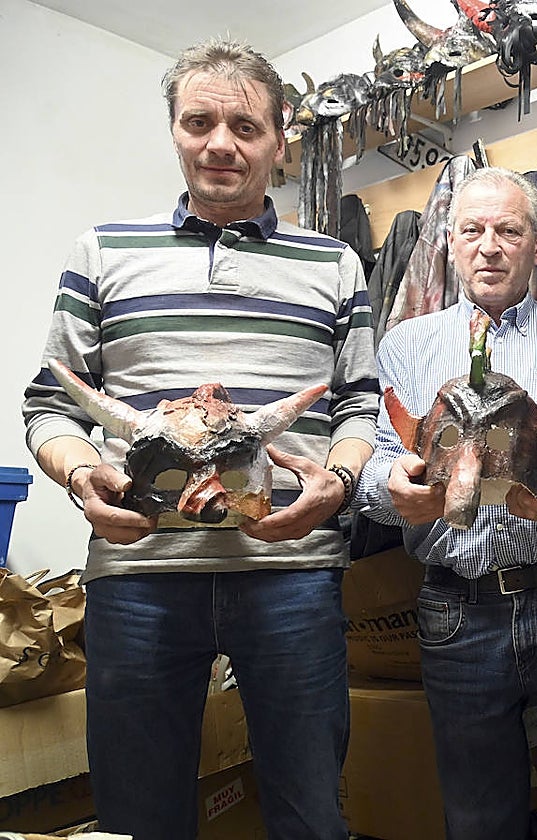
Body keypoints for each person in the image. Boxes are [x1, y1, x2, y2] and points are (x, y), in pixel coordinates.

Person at [20, 39, 378, 840]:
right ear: (175, 131)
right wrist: (82, 478)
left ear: (280, 138)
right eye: (200, 121)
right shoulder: (103, 252)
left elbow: (362, 406)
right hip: (140, 578)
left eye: (245, 125)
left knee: (310, 814)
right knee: (138, 818)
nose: (221, 142)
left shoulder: (336, 265)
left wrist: (342, 482)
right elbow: (50, 404)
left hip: (291, 577)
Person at [357, 166, 537, 840]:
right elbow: (373, 458)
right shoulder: (405, 348)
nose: (490, 246)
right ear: (450, 244)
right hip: (458, 611)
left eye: (508, 231)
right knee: (479, 813)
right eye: (473, 231)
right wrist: (394, 490)